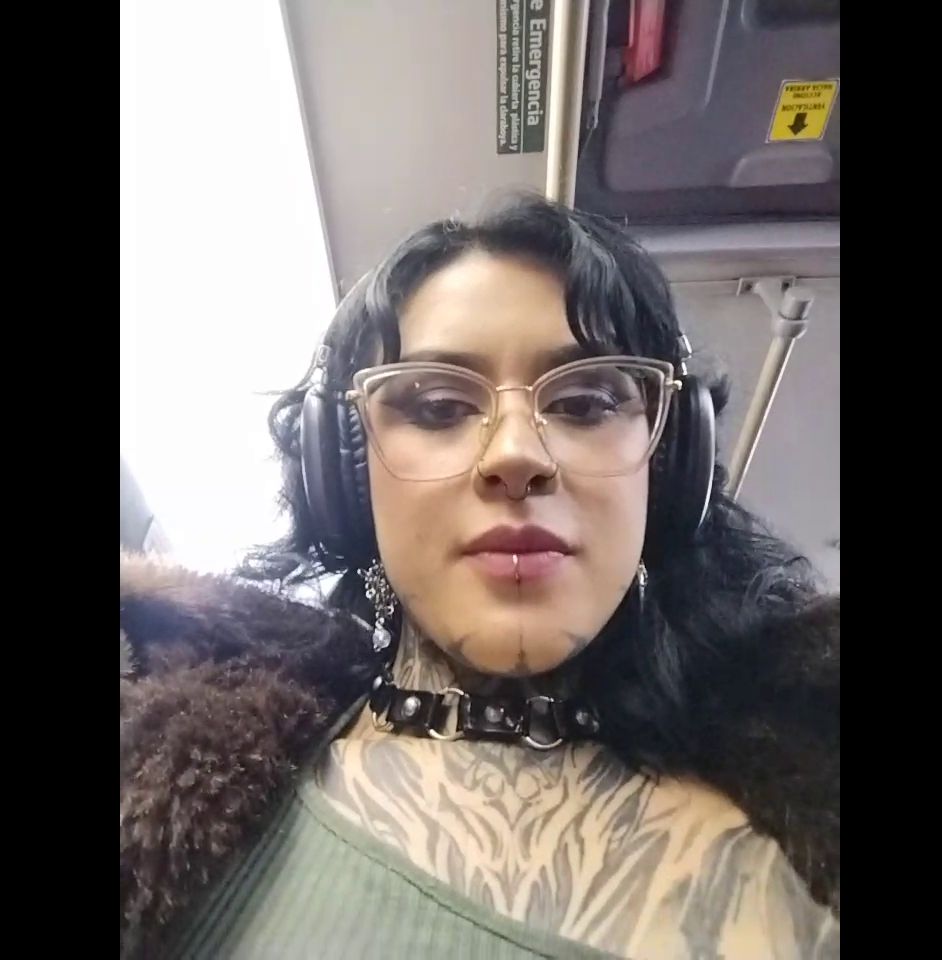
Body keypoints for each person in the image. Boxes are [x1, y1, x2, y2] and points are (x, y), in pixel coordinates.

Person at [120, 196, 839, 958]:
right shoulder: (152, 778)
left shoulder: (808, 867)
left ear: (670, 466)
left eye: (587, 402)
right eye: (436, 407)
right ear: (347, 476)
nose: (515, 455)